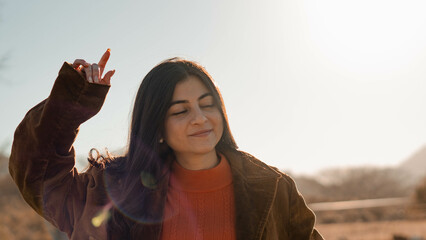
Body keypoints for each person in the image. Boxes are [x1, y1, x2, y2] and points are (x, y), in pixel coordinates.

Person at [9, 49, 324, 240]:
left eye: (207, 104)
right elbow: (38, 178)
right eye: (181, 111)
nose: (200, 118)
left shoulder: (272, 189)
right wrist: (70, 103)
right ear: (157, 123)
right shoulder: (112, 190)